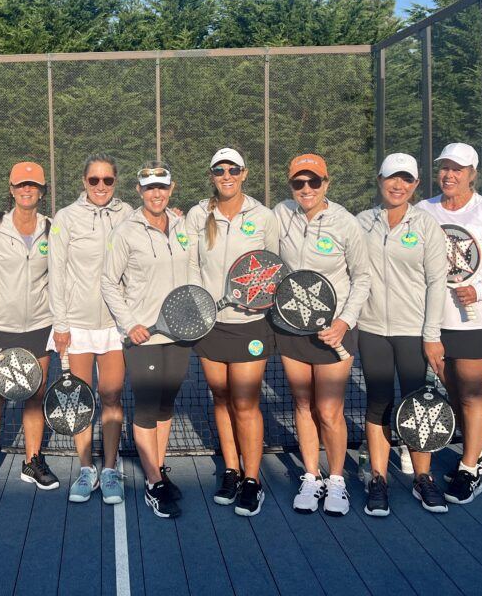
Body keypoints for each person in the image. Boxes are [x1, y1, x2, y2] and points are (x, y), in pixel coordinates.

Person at [416, 143, 482, 504]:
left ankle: (469, 468)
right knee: (453, 391)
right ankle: (479, 454)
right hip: (432, 321)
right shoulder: (422, 210)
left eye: (457, 169)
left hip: (475, 321)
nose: (449, 175)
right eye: (444, 167)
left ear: (473, 174)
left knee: (473, 393)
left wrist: (480, 290)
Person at [274, 153, 371, 516]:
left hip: (335, 331)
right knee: (302, 404)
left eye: (314, 182)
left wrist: (344, 321)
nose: (306, 189)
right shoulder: (280, 214)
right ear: (291, 186)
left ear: (326, 183)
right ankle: (311, 477)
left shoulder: (345, 223)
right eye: (299, 183)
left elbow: (362, 276)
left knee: (329, 409)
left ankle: (336, 481)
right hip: (291, 328)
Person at [185, 148, 281, 517]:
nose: (226, 175)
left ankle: (253, 479)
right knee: (221, 399)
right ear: (212, 175)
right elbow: (192, 262)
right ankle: (231, 470)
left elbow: (274, 267)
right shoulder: (199, 214)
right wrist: (199, 304)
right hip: (210, 325)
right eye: (219, 170)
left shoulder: (263, 216)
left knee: (245, 403)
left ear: (244, 173)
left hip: (250, 326)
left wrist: (262, 300)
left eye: (233, 170)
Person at [355, 154, 449, 515]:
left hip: (413, 332)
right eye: (392, 178)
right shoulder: (362, 222)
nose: (398, 185)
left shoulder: (426, 226)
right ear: (380, 180)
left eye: (406, 180)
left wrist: (431, 334)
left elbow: (436, 282)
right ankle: (378, 477)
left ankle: (422, 478)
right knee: (378, 402)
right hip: (373, 330)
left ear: (415, 185)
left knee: (419, 404)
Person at [101, 161, 192, 518]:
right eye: (150, 187)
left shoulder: (186, 225)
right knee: (147, 405)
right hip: (144, 336)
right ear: (139, 191)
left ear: (171, 189)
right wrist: (130, 323)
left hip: (180, 334)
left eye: (162, 187)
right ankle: (153, 482)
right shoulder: (125, 232)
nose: (157, 193)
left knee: (167, 404)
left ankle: (159, 467)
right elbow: (109, 282)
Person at [0, 161, 56, 511]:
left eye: (33, 185)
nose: (27, 190)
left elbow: (62, 277)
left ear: (41, 191)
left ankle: (32, 462)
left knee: (35, 398)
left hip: (40, 325)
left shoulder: (53, 229)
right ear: (11, 188)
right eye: (21, 184)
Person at [49, 153, 132, 505]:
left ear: (115, 182)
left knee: (112, 396)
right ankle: (86, 469)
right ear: (84, 182)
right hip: (77, 326)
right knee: (79, 401)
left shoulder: (130, 215)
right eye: (94, 180)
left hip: (115, 326)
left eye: (107, 180)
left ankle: (110, 468)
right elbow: (56, 272)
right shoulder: (65, 218)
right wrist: (61, 324)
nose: (101, 186)